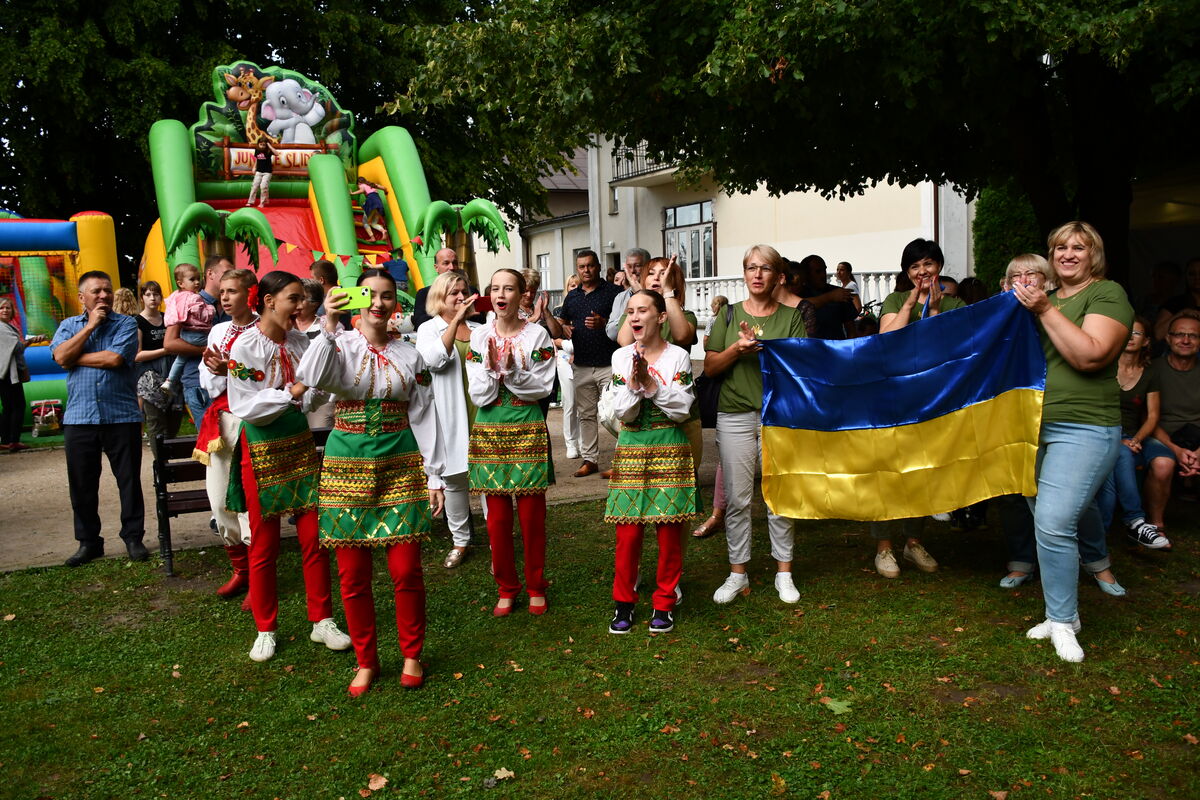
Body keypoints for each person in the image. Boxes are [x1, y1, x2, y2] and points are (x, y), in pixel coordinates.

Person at [298, 269, 446, 695]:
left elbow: (423, 412)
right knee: (352, 573)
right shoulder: (337, 344)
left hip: (399, 460)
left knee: (405, 568)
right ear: (356, 301)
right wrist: (327, 325)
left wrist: (433, 473)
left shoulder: (410, 353)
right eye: (370, 296)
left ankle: (412, 653)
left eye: (385, 296)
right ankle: (366, 660)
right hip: (347, 461)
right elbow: (311, 385)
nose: (378, 304)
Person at [1011, 221, 1133, 663]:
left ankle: (1062, 620)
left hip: (1084, 427)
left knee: (1054, 520)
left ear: (1093, 255)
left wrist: (1042, 309)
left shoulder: (1107, 294)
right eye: (1060, 247)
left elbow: (1090, 355)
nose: (1067, 254)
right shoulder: (1040, 299)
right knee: (1047, 523)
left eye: (1078, 247)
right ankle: (1064, 614)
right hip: (1031, 426)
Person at [226, 270, 350, 662]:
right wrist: (291, 392)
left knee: (314, 537)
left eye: (303, 299)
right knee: (263, 543)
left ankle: (322, 619)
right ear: (267, 301)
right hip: (261, 447)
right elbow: (245, 406)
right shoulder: (244, 346)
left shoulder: (301, 342)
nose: (301, 306)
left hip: (297, 443)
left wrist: (307, 394)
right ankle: (265, 627)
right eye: (294, 299)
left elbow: (316, 392)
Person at [704, 245, 807, 605]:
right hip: (734, 414)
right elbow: (710, 367)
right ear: (744, 274)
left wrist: (765, 348)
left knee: (779, 495)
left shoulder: (792, 316)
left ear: (778, 276)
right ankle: (737, 573)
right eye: (751, 268)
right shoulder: (728, 316)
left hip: (777, 415)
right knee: (737, 497)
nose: (757, 274)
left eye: (765, 268)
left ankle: (784, 573)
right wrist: (737, 349)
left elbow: (801, 368)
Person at [870, 238, 967, 579]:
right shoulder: (896, 299)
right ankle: (883, 547)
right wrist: (911, 303)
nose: (922, 271)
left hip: (933, 398)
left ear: (939, 265)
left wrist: (937, 311)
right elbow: (886, 338)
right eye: (914, 266)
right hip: (894, 395)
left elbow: (948, 349)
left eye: (928, 263)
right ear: (907, 272)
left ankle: (913, 542)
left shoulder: (956, 304)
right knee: (888, 469)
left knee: (923, 469)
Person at [606, 289, 697, 634]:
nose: (635, 317)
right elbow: (623, 411)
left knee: (669, 530)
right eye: (630, 311)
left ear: (660, 317)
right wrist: (635, 382)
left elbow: (682, 409)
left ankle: (663, 602)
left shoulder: (678, 357)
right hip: (631, 446)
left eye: (642, 310)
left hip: (669, 445)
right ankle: (623, 603)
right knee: (627, 531)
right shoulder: (620, 358)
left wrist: (651, 384)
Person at [467, 268, 556, 616]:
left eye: (509, 288)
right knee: (497, 519)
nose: (501, 293)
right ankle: (506, 586)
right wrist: (494, 373)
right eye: (495, 288)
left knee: (532, 516)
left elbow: (542, 387)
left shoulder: (538, 336)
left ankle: (535, 584)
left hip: (527, 423)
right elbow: (478, 393)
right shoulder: (479, 338)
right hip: (489, 426)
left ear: (522, 296)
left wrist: (511, 372)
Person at [50, 271, 147, 566]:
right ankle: (89, 542)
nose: (103, 296)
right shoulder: (68, 325)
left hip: (122, 416)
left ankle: (133, 537)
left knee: (128, 481)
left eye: (107, 290)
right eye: (96, 291)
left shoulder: (127, 324)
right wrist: (90, 326)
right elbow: (59, 356)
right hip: (80, 419)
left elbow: (114, 359)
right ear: (82, 298)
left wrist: (71, 357)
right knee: (81, 484)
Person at [195, 268, 258, 601]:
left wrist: (229, 369)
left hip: (252, 423)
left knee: (248, 501)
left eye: (232, 291)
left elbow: (266, 380)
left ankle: (259, 576)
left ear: (250, 292)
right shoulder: (218, 331)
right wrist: (217, 371)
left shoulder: (265, 329)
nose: (225, 297)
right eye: (222, 292)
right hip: (220, 422)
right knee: (219, 500)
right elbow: (208, 382)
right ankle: (240, 570)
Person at [416, 271, 482, 569]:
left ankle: (498, 534)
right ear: (439, 298)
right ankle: (460, 540)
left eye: (463, 291)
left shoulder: (481, 329)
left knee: (489, 478)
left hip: (481, 409)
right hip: (450, 411)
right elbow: (434, 361)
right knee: (455, 478)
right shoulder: (428, 329)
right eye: (454, 293)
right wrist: (455, 321)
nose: (460, 297)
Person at [1094, 316, 1173, 549]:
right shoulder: (1105, 365)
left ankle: (1139, 523)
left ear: (1147, 341)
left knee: (1153, 457)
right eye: (1126, 332)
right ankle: (1135, 520)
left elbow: (1152, 416)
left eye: (1137, 333)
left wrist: (1136, 439)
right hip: (1105, 432)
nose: (1130, 337)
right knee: (1123, 454)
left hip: (1134, 436)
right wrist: (1123, 440)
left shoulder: (1149, 373)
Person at [544, 249, 622, 477]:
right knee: (586, 415)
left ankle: (623, 459)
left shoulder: (614, 292)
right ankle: (590, 459)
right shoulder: (573, 296)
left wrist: (605, 322)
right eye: (582, 267)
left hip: (609, 364)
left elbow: (623, 322)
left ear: (598, 266)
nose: (586, 270)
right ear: (577, 269)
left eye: (590, 265)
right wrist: (562, 325)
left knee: (617, 413)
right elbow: (560, 325)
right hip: (582, 365)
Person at [165, 255, 233, 425]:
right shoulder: (188, 300)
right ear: (210, 274)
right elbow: (170, 343)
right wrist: (207, 350)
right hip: (197, 382)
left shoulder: (231, 304)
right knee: (210, 444)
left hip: (230, 382)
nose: (231, 277)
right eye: (227, 272)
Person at [1145, 310, 1200, 517]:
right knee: (1162, 464)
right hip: (1162, 437)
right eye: (1179, 334)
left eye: (1193, 336)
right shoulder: (1152, 369)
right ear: (1168, 338)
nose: (1186, 340)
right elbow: (1146, 417)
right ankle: (1157, 524)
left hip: (1197, 436)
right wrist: (1175, 450)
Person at [693, 294, 730, 539]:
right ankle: (718, 514)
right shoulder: (721, 320)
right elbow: (709, 356)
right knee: (725, 458)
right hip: (732, 398)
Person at [133, 281, 183, 457]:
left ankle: (168, 456)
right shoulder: (137, 322)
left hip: (172, 375)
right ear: (142, 298)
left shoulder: (167, 318)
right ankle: (160, 462)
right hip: (149, 378)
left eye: (156, 294)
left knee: (174, 418)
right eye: (148, 294)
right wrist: (165, 350)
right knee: (155, 421)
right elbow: (137, 355)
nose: (152, 298)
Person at [162, 263, 215, 397]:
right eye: (192, 279)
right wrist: (210, 309)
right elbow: (200, 313)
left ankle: (169, 380)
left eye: (198, 278)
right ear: (180, 283)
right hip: (196, 333)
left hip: (184, 333)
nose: (197, 282)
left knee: (181, 358)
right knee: (215, 340)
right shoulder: (194, 297)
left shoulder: (175, 296)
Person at [0, 297, 44, 452]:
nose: (5, 310)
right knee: (17, 406)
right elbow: (17, 347)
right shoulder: (1, 327)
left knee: (9, 407)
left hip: (7, 372)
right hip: (6, 373)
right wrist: (31, 341)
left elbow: (16, 347)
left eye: (8, 308)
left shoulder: (8, 326)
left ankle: (7, 440)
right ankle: (11, 440)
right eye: (2, 308)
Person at [411, 248, 483, 329]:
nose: (451, 267)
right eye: (446, 263)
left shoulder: (472, 291)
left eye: (455, 263)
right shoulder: (424, 293)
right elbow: (420, 322)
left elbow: (480, 319)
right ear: (436, 267)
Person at [554, 275, 583, 460]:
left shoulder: (586, 307)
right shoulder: (559, 311)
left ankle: (583, 442)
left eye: (578, 285)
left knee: (584, 405)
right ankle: (571, 443)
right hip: (565, 360)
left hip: (583, 359)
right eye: (572, 285)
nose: (575, 288)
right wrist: (566, 347)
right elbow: (554, 338)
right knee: (570, 403)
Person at [798, 254, 856, 339]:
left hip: (836, 348)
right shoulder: (798, 293)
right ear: (806, 274)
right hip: (808, 349)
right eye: (818, 271)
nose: (823, 275)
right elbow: (797, 304)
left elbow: (851, 330)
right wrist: (830, 297)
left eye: (824, 270)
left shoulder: (840, 294)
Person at [606, 248, 650, 340]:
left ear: (647, 266)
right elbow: (611, 333)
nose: (633, 270)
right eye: (629, 267)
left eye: (637, 266)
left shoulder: (655, 293)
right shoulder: (620, 297)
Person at [1153, 257, 1200, 342]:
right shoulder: (1174, 303)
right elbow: (1158, 334)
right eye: (1192, 274)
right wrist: (1182, 313)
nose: (1197, 277)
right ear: (1186, 277)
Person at [349, 176, 389, 242]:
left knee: (365, 222)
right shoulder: (372, 184)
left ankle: (372, 238)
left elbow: (362, 190)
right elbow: (384, 188)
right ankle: (383, 231)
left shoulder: (362, 185)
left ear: (359, 183)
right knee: (373, 223)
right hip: (378, 202)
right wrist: (385, 192)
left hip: (371, 202)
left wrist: (352, 193)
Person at [246, 138, 279, 207]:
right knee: (254, 186)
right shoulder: (257, 150)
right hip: (259, 171)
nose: (262, 146)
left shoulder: (268, 150)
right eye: (261, 144)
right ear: (258, 144)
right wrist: (254, 167)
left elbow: (276, 153)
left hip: (267, 172)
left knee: (263, 186)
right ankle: (250, 202)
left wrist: (269, 146)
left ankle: (262, 203)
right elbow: (257, 159)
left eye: (264, 145)